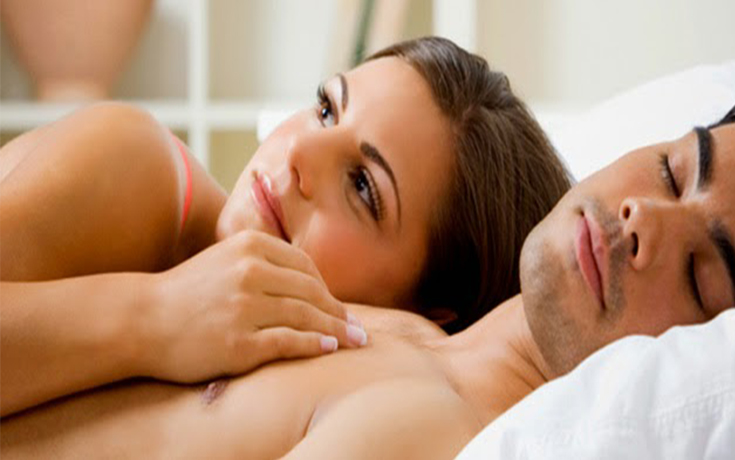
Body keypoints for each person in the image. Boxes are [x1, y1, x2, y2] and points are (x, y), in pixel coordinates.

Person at [3, 92, 733, 460]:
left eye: (701, 272)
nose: (643, 219)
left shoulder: (432, 426)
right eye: (674, 171)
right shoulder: (390, 327)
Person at [0, 37, 571, 417]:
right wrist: (157, 315)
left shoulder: (355, 405)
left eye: (362, 185)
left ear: (428, 314)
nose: (298, 152)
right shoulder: (136, 170)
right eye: (326, 109)